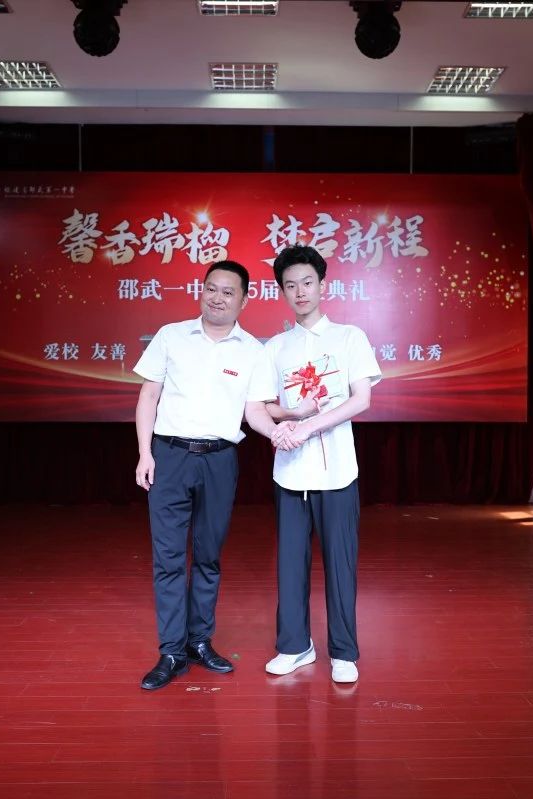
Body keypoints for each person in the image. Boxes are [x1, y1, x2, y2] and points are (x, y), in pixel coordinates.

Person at [132, 259, 275, 691]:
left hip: (219, 460)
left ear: (244, 300)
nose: (217, 298)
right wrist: (144, 454)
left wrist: (284, 428)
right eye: (211, 288)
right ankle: (171, 651)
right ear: (201, 291)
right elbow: (148, 396)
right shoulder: (171, 336)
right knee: (169, 559)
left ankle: (199, 641)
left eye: (228, 292)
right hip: (169, 456)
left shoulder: (253, 351)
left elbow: (254, 411)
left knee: (209, 556)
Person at [244, 244, 381, 684]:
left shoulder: (349, 337)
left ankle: (344, 652)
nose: (300, 291)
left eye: (307, 282)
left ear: (323, 285)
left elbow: (361, 399)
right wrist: (277, 431)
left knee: (340, 564)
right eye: (290, 285)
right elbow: (256, 409)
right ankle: (294, 646)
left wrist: (308, 427)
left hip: (338, 472)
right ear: (282, 292)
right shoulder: (275, 347)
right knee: (290, 564)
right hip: (290, 473)